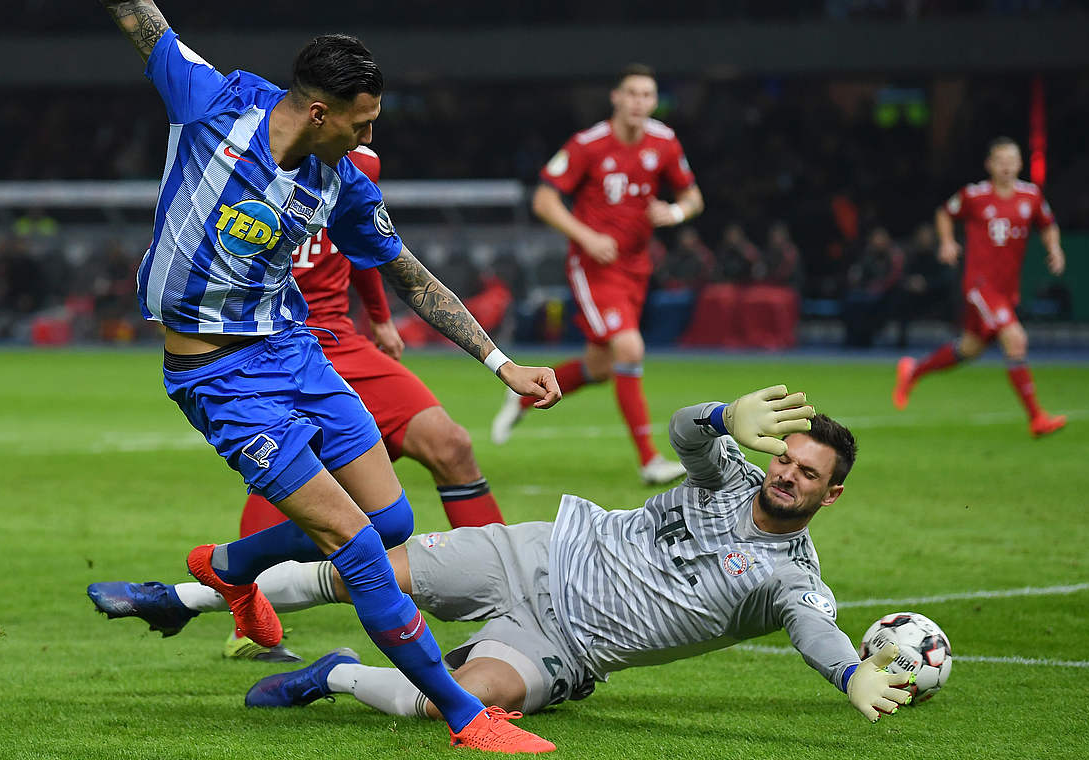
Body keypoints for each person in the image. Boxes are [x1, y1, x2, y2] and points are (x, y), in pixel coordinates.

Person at [96, 2, 560, 752]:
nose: (369, 138)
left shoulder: (339, 183)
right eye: (363, 123)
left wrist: (501, 362)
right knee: (358, 544)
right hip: (219, 377)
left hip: (294, 351)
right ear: (319, 113)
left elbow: (407, 274)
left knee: (393, 524)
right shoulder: (213, 102)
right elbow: (141, 19)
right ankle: (466, 715)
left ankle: (228, 568)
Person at [236, 385, 913, 725]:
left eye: (808, 474)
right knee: (365, 574)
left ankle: (333, 677)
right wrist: (718, 416)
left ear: (832, 495)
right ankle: (211, 591)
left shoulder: (792, 577)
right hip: (537, 553)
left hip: (567, 646)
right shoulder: (730, 475)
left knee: (453, 706)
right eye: (788, 459)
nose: (788, 473)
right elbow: (686, 435)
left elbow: (814, 628)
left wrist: (849, 673)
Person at [90, 146, 507, 660]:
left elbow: (367, 242)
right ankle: (232, 613)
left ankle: (504, 591)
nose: (365, 127)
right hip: (268, 339)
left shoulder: (360, 167)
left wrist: (378, 317)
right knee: (300, 491)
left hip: (338, 338)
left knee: (449, 444)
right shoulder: (236, 158)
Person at [492, 64, 705, 485]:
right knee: (629, 348)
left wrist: (676, 212)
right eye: (632, 93)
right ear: (616, 97)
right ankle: (649, 460)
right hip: (594, 268)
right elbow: (544, 201)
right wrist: (586, 237)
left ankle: (522, 397)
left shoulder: (663, 141)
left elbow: (693, 195)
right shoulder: (588, 144)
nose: (639, 102)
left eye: (647, 95)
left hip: (636, 267)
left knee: (602, 365)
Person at [893, 137, 1067, 437]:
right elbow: (944, 213)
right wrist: (947, 242)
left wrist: (1055, 249)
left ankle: (913, 371)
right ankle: (1037, 418)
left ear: (1020, 164)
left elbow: (1048, 223)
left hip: (1006, 290)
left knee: (970, 348)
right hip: (979, 285)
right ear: (989, 165)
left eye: (1012, 160)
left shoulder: (1031, 196)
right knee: (1016, 339)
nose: (1006, 166)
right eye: (1000, 160)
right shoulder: (974, 196)